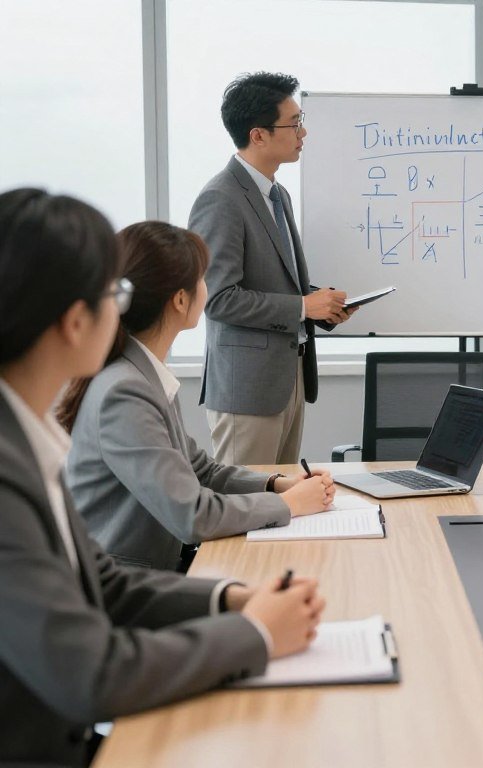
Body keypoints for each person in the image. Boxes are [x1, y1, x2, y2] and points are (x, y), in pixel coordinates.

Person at [0, 189, 325, 765]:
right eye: (112, 292)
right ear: (76, 321)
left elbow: (107, 583)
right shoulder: (16, 468)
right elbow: (91, 673)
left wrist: (233, 598)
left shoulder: (27, 438)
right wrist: (256, 634)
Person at [59, 221, 336, 573]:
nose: (208, 288)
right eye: (203, 279)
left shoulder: (141, 373)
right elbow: (192, 515)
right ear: (179, 299)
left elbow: (201, 470)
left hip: (154, 572)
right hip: (125, 588)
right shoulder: (124, 391)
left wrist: (278, 485)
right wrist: (289, 505)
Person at [189, 71, 354, 465]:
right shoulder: (220, 198)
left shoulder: (276, 193)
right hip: (247, 388)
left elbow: (279, 280)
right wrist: (302, 308)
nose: (303, 133)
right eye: (294, 123)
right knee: (245, 508)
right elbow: (218, 299)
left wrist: (322, 305)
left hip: (288, 377)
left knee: (279, 508)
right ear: (258, 134)